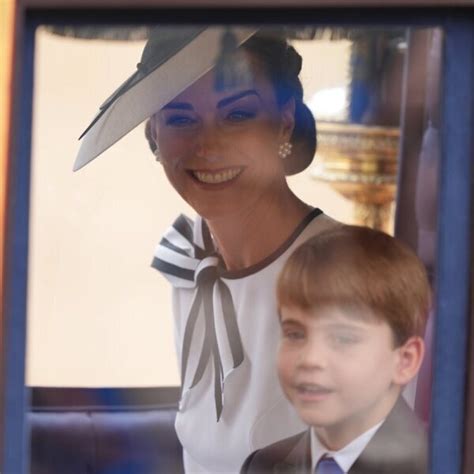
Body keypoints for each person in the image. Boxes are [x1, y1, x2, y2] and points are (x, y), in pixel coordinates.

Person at [76, 27, 339, 472]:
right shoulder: (188, 260)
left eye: (237, 116)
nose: (208, 145)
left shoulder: (346, 275)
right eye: (180, 119)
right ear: (154, 136)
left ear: (285, 122)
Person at [241, 225, 430, 474]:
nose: (310, 359)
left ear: (405, 360)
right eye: (295, 334)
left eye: (343, 338)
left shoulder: (440, 465)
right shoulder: (262, 465)